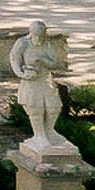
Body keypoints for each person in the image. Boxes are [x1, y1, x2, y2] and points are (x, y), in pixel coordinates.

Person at [10, 20, 64, 149]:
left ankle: (49, 131)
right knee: (35, 108)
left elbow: (54, 63)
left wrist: (42, 60)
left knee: (54, 107)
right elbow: (14, 58)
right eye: (36, 35)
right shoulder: (22, 43)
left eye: (42, 35)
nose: (39, 38)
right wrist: (21, 73)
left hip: (45, 80)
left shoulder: (48, 45)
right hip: (31, 81)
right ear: (31, 33)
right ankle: (39, 135)